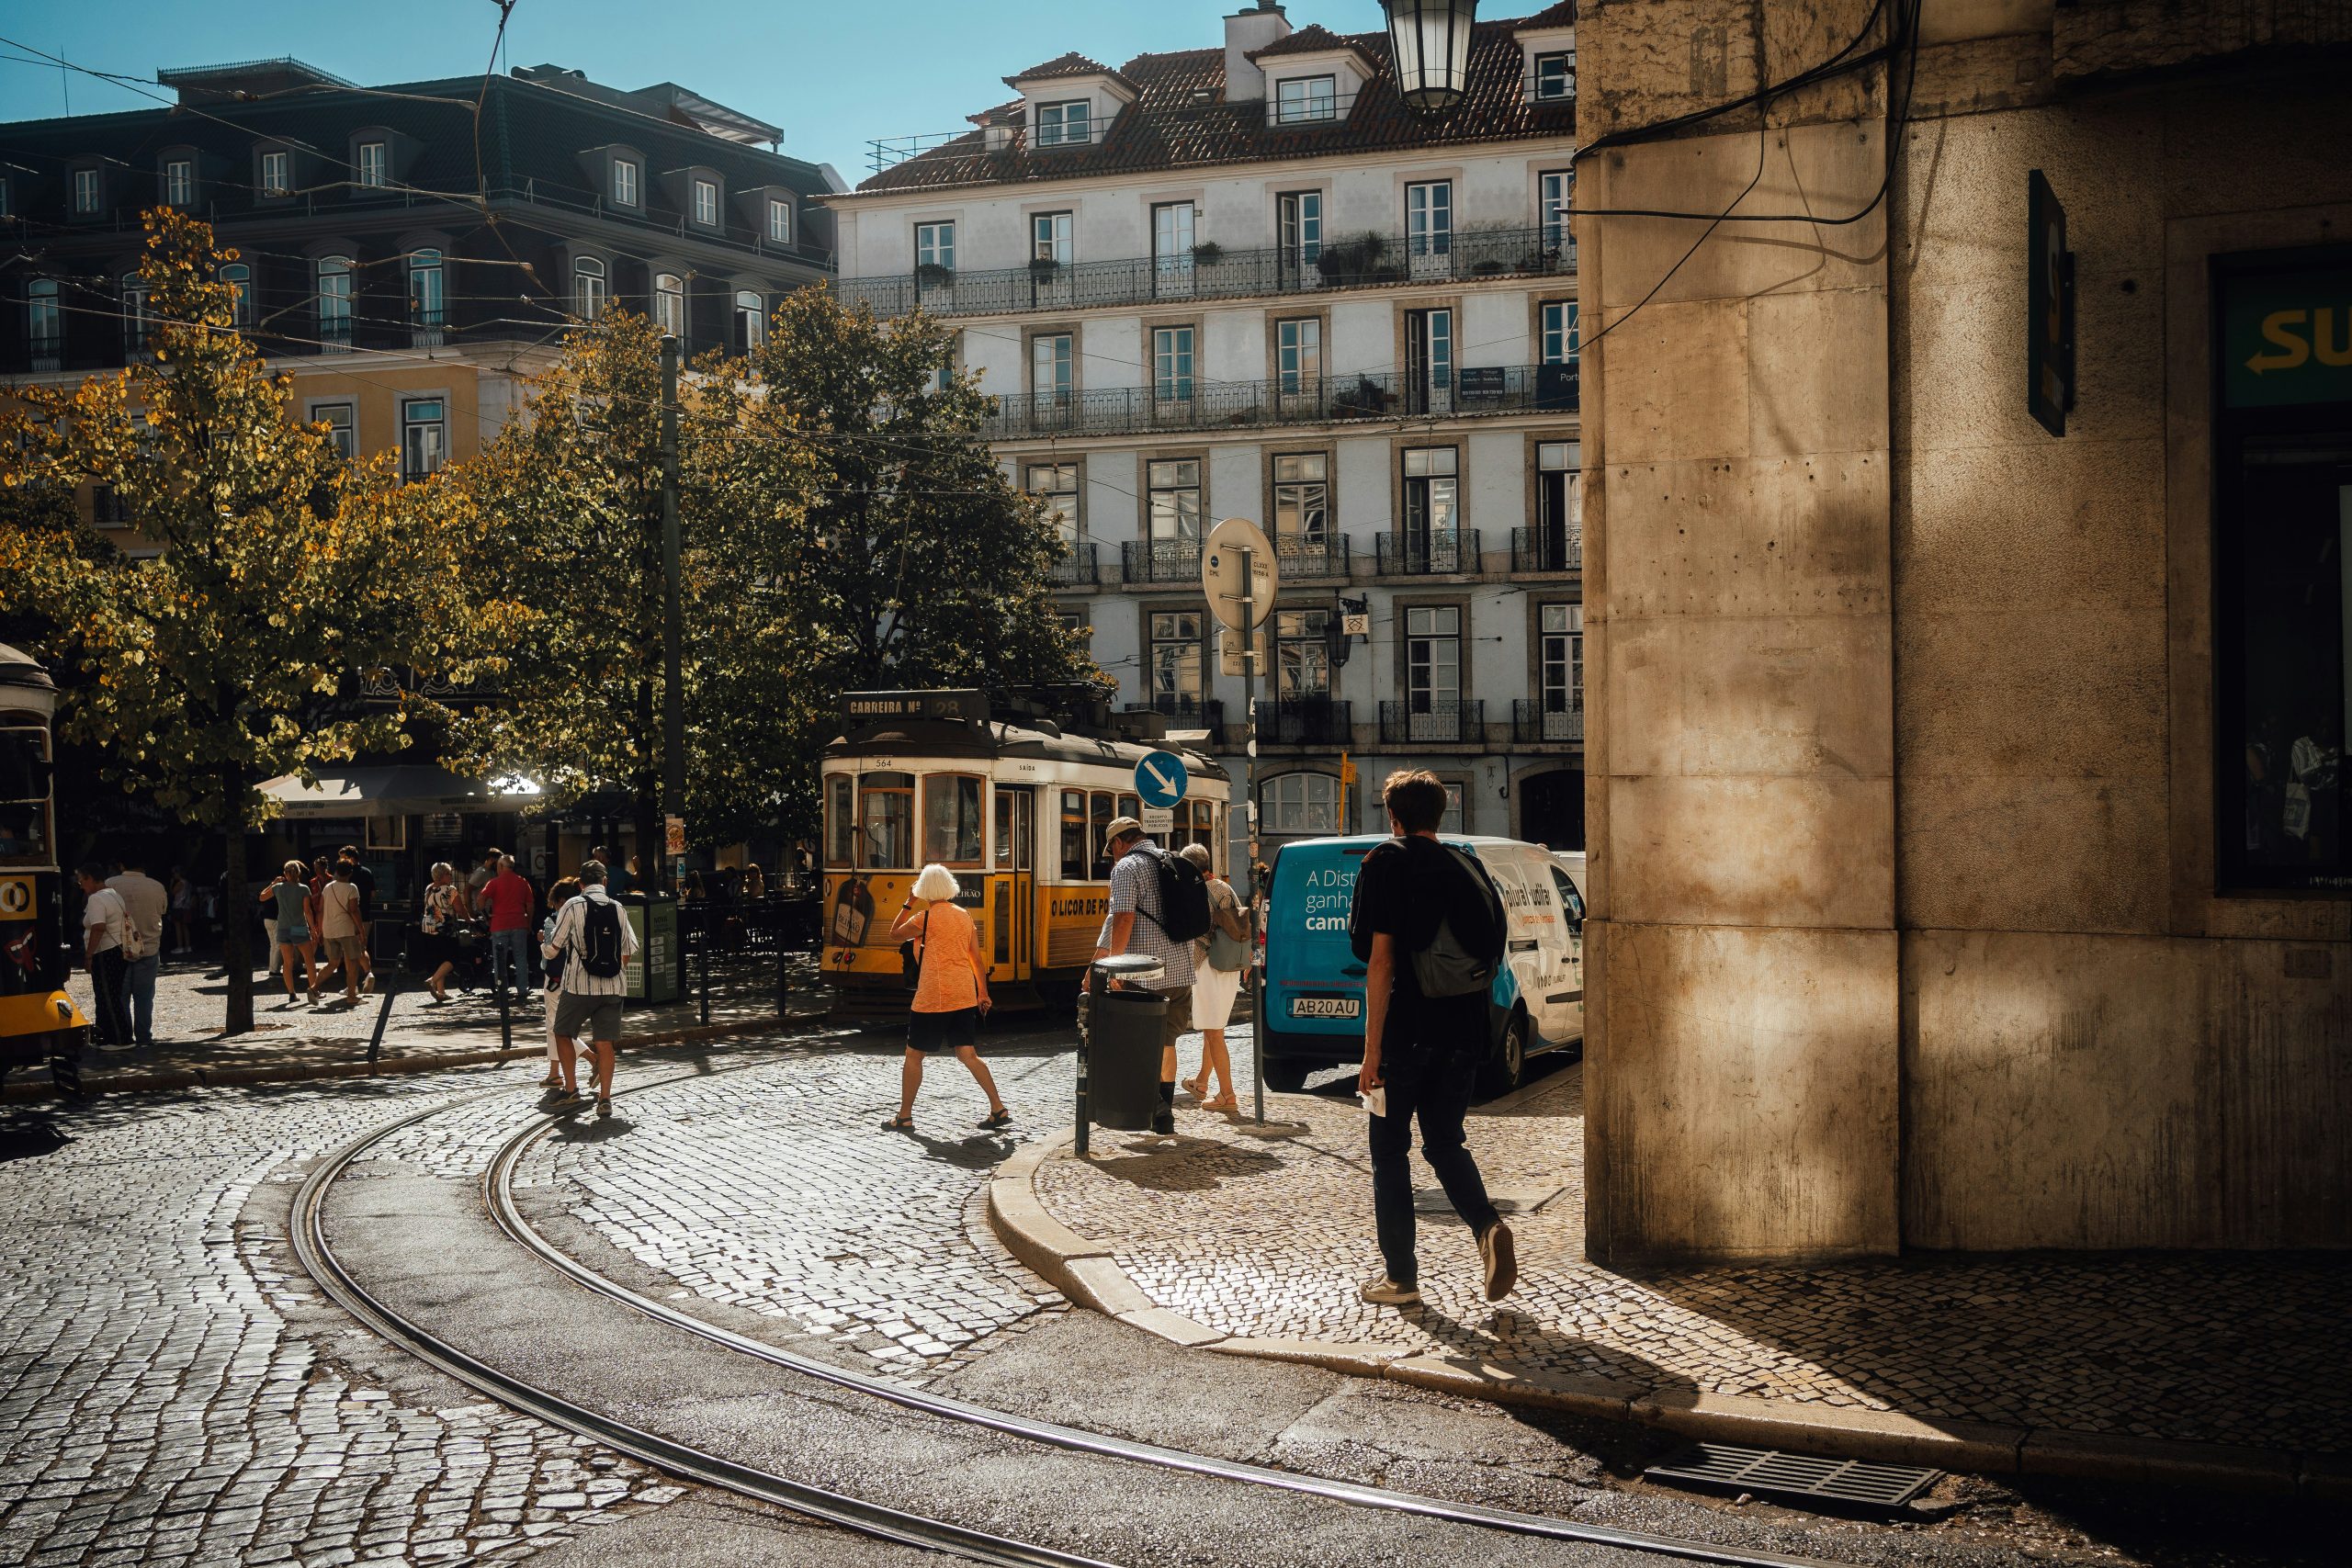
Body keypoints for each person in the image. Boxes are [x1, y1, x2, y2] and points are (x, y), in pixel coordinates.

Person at [1349, 770, 1516, 1309]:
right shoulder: (1469, 867)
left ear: (1393, 816)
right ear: (1439, 815)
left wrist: (1372, 1052)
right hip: (1466, 1031)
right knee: (1445, 1142)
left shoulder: (1386, 863)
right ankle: (1488, 1227)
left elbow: (1380, 962)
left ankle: (1401, 1279)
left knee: (1389, 1154)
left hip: (1407, 1035)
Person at [885, 863, 1010, 1132]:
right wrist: (983, 993)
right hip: (964, 994)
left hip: (933, 996)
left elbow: (894, 934)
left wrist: (908, 903)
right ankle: (998, 1108)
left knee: (913, 1054)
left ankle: (905, 1115)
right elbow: (976, 959)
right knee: (968, 1054)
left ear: (923, 889)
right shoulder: (964, 915)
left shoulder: (924, 918)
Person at [1095, 816, 1193, 1136]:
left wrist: (1115, 965)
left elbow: (1122, 918)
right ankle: (1163, 1117)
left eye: (1112, 850)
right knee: (1166, 1043)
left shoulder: (1127, 868)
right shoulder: (1174, 860)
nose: (1113, 856)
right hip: (1180, 969)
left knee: (1134, 1045)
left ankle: (1157, 1108)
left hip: (1144, 972)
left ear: (1120, 842)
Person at [542, 859, 638, 1118]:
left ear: (581, 883)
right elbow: (629, 950)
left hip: (578, 987)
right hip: (613, 986)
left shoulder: (572, 905)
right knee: (605, 1043)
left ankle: (571, 1089)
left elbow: (555, 948)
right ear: (605, 881)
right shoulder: (619, 908)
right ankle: (605, 1099)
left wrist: (542, 946)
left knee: (562, 1032)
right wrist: (612, 971)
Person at [1177, 842, 1249, 1114]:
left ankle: (1227, 1095)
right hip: (1230, 965)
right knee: (1213, 1028)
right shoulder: (1224, 887)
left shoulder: (1197, 891)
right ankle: (1202, 1082)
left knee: (1214, 1033)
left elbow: (1197, 930)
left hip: (1208, 966)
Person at [107, 855, 169, 1049]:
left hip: (119, 948)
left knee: (121, 995)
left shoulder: (110, 885)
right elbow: (162, 911)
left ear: (121, 864)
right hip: (149, 947)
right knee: (144, 997)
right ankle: (144, 1037)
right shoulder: (157, 886)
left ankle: (125, 1036)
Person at [76, 864, 133, 1049]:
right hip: (116, 950)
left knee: (108, 996)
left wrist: (88, 955)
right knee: (106, 995)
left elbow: (99, 927)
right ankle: (106, 1035)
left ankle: (120, 1038)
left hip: (106, 951)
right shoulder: (113, 895)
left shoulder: (96, 899)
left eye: (82, 880)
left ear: (91, 878)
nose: (80, 884)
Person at [537, 876, 582, 1090]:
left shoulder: (553, 920)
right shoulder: (582, 916)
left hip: (555, 979)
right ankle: (555, 1073)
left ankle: (593, 1059)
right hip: (576, 977)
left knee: (557, 1028)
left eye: (554, 902)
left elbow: (550, 952)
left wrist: (542, 942)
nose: (553, 906)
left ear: (560, 901)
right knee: (556, 1026)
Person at [261, 861, 319, 1006]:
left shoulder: (278, 888)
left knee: (287, 963)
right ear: (299, 873)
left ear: (285, 874)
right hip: (298, 927)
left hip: (283, 928)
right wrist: (313, 929)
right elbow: (307, 911)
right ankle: (313, 990)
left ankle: (292, 993)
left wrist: (273, 883)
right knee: (309, 961)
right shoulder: (303, 889)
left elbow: (261, 897)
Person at [481, 853, 537, 1000]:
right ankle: (522, 989)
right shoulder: (522, 882)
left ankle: (502, 989)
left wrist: (486, 916)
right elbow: (530, 905)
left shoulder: (494, 882)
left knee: (500, 959)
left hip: (499, 924)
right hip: (519, 923)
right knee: (520, 957)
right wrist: (529, 923)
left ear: (500, 866)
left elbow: (480, 900)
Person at [317, 860, 365, 1008]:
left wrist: (320, 930)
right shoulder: (352, 888)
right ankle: (351, 996)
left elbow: (320, 910)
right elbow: (354, 911)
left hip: (329, 930)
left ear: (336, 871)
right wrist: (361, 930)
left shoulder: (327, 888)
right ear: (350, 873)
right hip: (346, 930)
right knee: (353, 963)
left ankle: (313, 988)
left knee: (332, 963)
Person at [418, 862, 462, 1003]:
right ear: (443, 875)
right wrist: (469, 919)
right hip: (445, 928)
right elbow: (460, 909)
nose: (451, 877)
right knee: (453, 958)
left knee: (440, 960)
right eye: (449, 874)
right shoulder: (450, 890)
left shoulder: (429, 888)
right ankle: (432, 981)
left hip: (429, 928)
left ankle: (441, 992)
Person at [334, 847, 376, 995]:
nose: (341, 861)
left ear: (350, 858)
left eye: (343, 858)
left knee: (349, 954)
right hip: (365, 916)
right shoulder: (367, 872)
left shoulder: (346, 876)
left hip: (349, 918)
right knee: (361, 949)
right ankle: (368, 974)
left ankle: (352, 986)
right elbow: (372, 894)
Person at [167, 866, 194, 955]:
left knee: (178, 927)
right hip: (186, 907)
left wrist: (171, 884)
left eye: (174, 873)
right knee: (185, 927)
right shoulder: (188, 883)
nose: (173, 875)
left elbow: (172, 893)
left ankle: (180, 947)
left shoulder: (180, 883)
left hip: (178, 907)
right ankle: (188, 946)